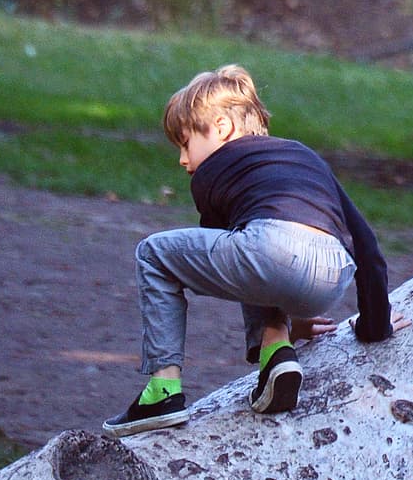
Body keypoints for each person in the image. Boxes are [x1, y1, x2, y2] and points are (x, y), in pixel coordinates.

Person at [102, 64, 398, 437]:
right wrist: (375, 326)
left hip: (269, 250)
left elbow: (219, 261)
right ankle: (277, 356)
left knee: (154, 254)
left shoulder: (213, 170)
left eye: (185, 143)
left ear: (222, 128)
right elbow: (367, 246)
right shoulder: (303, 156)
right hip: (335, 269)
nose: (183, 160)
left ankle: (163, 392)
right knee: (248, 246)